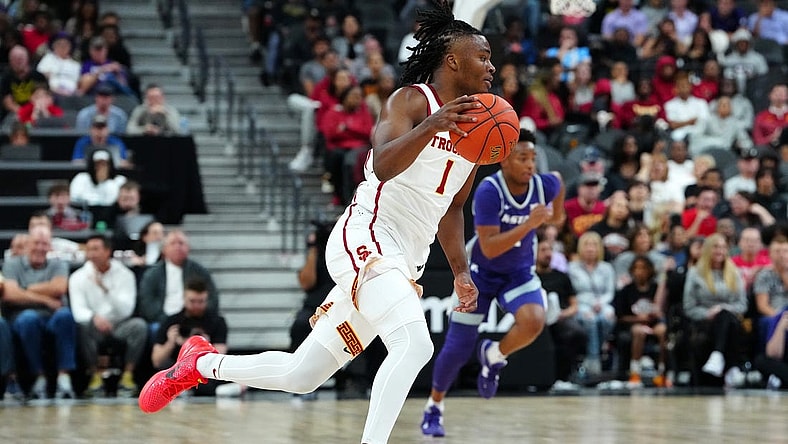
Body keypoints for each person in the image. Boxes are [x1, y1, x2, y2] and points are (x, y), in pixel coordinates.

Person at [138, 3, 485, 443]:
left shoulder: (477, 134)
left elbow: (452, 208)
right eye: (484, 56)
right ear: (453, 60)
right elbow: (379, 164)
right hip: (368, 238)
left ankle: (200, 364)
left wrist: (460, 272)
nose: (491, 66)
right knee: (415, 344)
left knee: (303, 374)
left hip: (407, 260)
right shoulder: (413, 101)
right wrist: (431, 126)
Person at [421, 129, 565, 437]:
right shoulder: (489, 191)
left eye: (532, 159)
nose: (530, 165)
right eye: (522, 158)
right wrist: (531, 223)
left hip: (518, 273)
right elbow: (489, 248)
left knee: (535, 321)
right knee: (458, 348)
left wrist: (555, 217)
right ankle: (434, 406)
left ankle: (494, 356)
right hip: (479, 275)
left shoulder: (543, 185)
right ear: (504, 162)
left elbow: (559, 183)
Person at [1, 225, 76, 399]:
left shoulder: (58, 264)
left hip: (52, 318)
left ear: (50, 246)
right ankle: (39, 378)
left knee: (65, 315)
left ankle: (64, 379)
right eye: (36, 243)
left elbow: (59, 288)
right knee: (29, 318)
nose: (40, 248)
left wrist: (26, 289)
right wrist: (46, 299)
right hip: (21, 318)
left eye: (44, 244)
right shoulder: (12, 264)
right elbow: (10, 294)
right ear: (27, 244)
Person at [68, 234, 146, 395]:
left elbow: (126, 309)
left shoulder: (125, 274)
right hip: (93, 326)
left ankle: (127, 376)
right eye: (89, 250)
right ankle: (95, 377)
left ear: (107, 251)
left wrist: (106, 290)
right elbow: (78, 310)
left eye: (96, 249)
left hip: (119, 324)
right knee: (82, 326)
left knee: (139, 326)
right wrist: (94, 318)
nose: (91, 254)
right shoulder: (78, 277)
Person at [150, 277, 230, 396]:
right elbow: (156, 361)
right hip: (176, 370)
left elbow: (220, 356)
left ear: (207, 300)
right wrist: (170, 343)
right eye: (192, 301)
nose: (197, 306)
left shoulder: (216, 322)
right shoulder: (172, 321)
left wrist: (202, 346)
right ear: (184, 298)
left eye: (201, 301)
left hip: (203, 372)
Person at [683, 233, 747, 380]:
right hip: (704, 321)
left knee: (726, 317)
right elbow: (689, 306)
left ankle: (718, 356)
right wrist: (707, 313)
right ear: (707, 250)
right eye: (716, 247)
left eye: (723, 247)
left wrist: (724, 308)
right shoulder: (695, 273)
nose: (720, 251)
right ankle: (732, 367)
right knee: (725, 319)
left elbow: (742, 304)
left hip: (730, 318)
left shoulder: (734, 272)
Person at [136, 229, 220, 333]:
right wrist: (168, 321)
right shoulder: (152, 274)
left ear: (188, 248)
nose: (177, 247)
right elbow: (147, 303)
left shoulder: (200, 271)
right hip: (161, 320)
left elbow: (212, 298)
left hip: (194, 319)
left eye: (181, 243)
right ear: (164, 249)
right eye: (173, 243)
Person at [535, 230, 587, 387]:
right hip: (537, 317)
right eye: (543, 250)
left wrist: (564, 314)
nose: (548, 254)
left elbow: (574, 305)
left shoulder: (561, 276)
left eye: (550, 250)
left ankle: (565, 376)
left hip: (559, 317)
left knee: (577, 333)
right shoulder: (530, 276)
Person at [614, 255, 669, 387]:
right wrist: (638, 318)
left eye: (643, 268)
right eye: (637, 268)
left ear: (650, 270)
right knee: (639, 331)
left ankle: (662, 372)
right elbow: (620, 316)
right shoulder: (626, 290)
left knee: (663, 331)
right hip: (633, 324)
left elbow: (661, 309)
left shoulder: (656, 288)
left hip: (653, 323)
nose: (640, 271)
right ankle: (635, 372)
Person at [567, 231, 617, 376]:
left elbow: (610, 292)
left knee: (607, 317)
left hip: (602, 302)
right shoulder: (572, 268)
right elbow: (573, 293)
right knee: (591, 320)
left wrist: (600, 303)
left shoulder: (606, 268)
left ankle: (598, 349)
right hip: (581, 303)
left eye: (594, 245)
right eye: (586, 245)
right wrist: (589, 304)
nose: (590, 248)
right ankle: (594, 358)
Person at [0, 45, 47, 121]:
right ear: (10, 61)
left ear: (27, 59)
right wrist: (24, 113)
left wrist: (31, 114)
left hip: (36, 113)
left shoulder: (38, 76)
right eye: (15, 59)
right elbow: (8, 103)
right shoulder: (6, 78)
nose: (18, 61)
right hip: (12, 116)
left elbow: (42, 97)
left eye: (21, 58)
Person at [35, 31, 80, 96]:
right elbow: (41, 75)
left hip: (71, 96)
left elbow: (78, 83)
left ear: (70, 47)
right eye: (59, 44)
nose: (62, 47)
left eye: (65, 44)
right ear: (54, 46)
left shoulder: (76, 65)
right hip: (51, 94)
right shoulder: (48, 58)